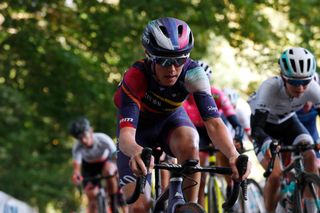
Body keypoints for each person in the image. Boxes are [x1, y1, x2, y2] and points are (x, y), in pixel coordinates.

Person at [113, 17, 251, 213]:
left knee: (190, 143)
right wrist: (135, 150)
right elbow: (127, 135)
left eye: (179, 60)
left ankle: (186, 204)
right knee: (139, 207)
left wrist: (233, 154)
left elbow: (214, 123)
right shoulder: (136, 76)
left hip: (171, 122)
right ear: (149, 55)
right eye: (164, 61)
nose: (172, 69)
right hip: (138, 132)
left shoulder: (194, 74)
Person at [248, 47, 320, 213]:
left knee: (309, 154)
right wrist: (267, 144)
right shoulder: (270, 87)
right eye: (294, 82)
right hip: (264, 127)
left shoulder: (313, 88)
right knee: (275, 176)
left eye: (305, 82)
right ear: (283, 77)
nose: (301, 88)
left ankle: (311, 208)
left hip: (288, 122)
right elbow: (257, 128)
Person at [183, 60, 245, 206]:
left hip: (214, 125)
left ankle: (230, 188)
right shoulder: (184, 98)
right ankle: (199, 203)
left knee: (227, 152)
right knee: (198, 167)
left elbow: (233, 120)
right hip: (196, 131)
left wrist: (238, 136)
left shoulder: (217, 94)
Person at [69, 117, 126, 213]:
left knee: (109, 171)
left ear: (91, 131)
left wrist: (119, 171)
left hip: (106, 162)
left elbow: (116, 157)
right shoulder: (77, 147)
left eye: (84, 135)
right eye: (79, 138)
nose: (83, 140)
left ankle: (113, 202)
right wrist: (76, 175)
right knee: (91, 195)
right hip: (89, 168)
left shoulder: (103, 139)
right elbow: (77, 168)